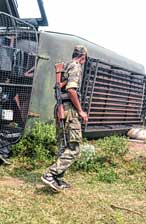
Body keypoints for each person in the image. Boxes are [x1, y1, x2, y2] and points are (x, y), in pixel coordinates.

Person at [41, 45, 88, 192]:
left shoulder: (65, 66)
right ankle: (50, 174)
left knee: (63, 145)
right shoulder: (75, 67)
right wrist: (80, 111)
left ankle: (57, 179)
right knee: (74, 148)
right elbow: (71, 90)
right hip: (69, 110)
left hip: (61, 109)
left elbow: (59, 87)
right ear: (83, 57)